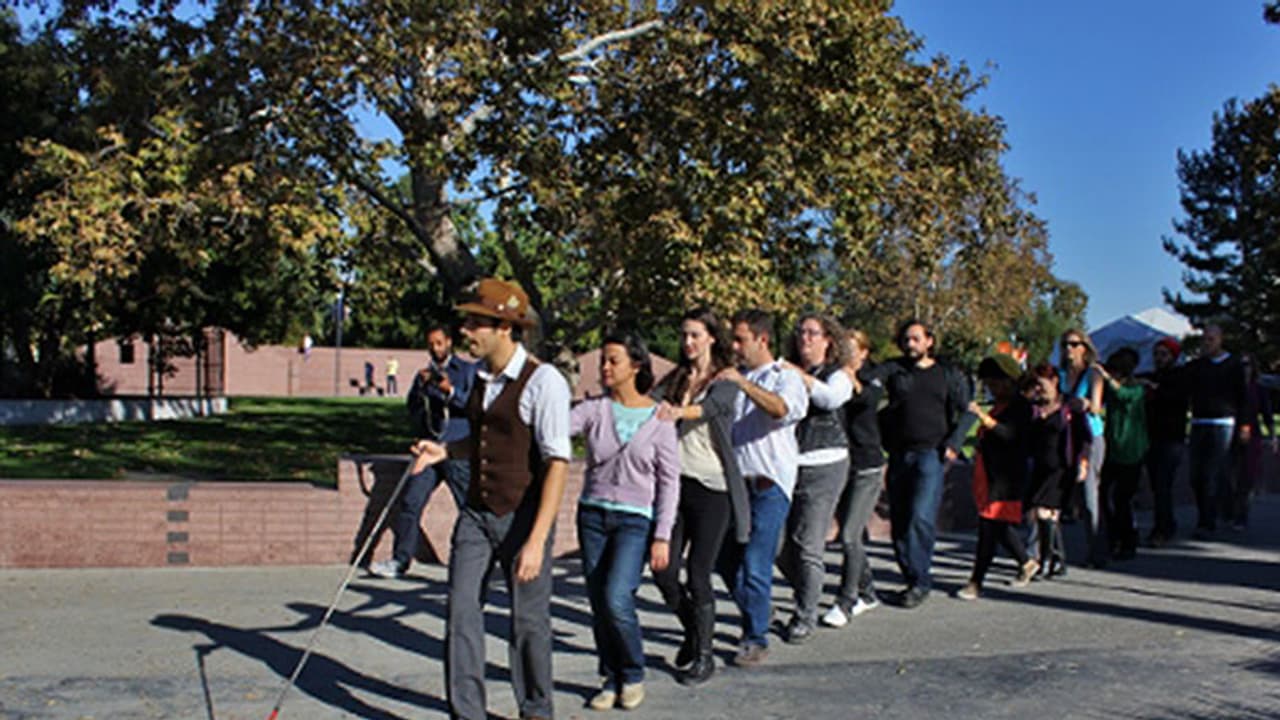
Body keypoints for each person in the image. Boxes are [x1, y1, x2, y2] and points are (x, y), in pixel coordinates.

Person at [413, 278, 571, 720]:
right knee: (461, 613)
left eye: (476, 322)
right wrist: (444, 450)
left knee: (528, 624)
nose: (466, 330)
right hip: (477, 515)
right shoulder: (482, 378)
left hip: (524, 517)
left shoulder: (545, 382)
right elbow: (484, 438)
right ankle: (467, 714)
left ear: (505, 327)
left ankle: (536, 709)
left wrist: (537, 541)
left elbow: (558, 462)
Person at [571, 331, 679, 711]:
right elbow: (554, 429)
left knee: (618, 597)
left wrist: (662, 535)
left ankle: (633, 672)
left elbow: (669, 482)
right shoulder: (594, 410)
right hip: (592, 515)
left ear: (636, 365)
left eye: (613, 360)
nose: (604, 367)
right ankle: (610, 676)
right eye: (603, 359)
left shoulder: (660, 417)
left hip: (635, 521)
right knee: (600, 601)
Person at [652, 308, 748, 686]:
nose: (688, 342)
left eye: (695, 335)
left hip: (713, 489)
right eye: (684, 335)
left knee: (698, 573)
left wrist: (675, 411)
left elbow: (713, 408)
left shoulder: (724, 379)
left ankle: (704, 657)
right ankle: (694, 630)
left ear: (711, 337)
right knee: (663, 570)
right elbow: (649, 404)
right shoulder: (675, 378)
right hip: (675, 486)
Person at [716, 309, 808, 668]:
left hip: (770, 485)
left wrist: (743, 385)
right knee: (725, 561)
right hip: (736, 484)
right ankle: (759, 611)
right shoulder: (733, 378)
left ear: (762, 339)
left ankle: (755, 638)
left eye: (741, 339)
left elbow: (780, 409)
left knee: (756, 561)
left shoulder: (784, 376)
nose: (735, 347)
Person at [872, 319, 973, 608]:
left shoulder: (947, 374)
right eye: (906, 339)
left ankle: (920, 581)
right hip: (900, 455)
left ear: (930, 341)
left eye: (916, 339)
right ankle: (911, 577)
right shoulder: (895, 370)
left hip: (931, 455)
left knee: (920, 517)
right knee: (901, 521)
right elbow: (868, 379)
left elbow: (968, 412)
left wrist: (954, 445)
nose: (910, 344)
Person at [369, 325, 476, 579]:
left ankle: (478, 560)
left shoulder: (466, 371)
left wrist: (449, 391)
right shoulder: (425, 375)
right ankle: (400, 560)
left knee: (467, 506)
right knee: (410, 502)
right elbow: (414, 409)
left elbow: (473, 406)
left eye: (439, 343)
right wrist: (421, 396)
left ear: (449, 342)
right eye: (431, 344)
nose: (435, 348)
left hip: (455, 448)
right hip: (429, 448)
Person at [777, 313, 852, 643]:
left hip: (825, 463)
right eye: (800, 332)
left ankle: (804, 613)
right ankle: (808, 590)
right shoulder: (787, 372)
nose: (804, 338)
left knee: (808, 544)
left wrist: (796, 375)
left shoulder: (839, 375)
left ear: (828, 340)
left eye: (812, 333)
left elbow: (829, 399)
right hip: (786, 464)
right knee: (777, 545)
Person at [956, 354, 1037, 600]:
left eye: (995, 383)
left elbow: (1010, 436)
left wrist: (984, 419)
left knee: (989, 528)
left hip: (1006, 477)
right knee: (999, 527)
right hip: (988, 474)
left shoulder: (1021, 407)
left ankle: (976, 581)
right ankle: (1026, 562)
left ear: (1009, 381)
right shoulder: (999, 405)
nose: (992, 388)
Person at [822, 329, 886, 628]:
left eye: (852, 349)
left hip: (866, 466)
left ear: (864, 352)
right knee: (852, 535)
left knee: (848, 535)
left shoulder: (871, 376)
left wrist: (851, 379)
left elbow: (869, 399)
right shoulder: (832, 376)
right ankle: (868, 591)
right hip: (840, 464)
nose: (846, 353)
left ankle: (846, 601)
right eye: (842, 348)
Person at [1025, 363, 1090, 579]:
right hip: (1039, 466)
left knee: (1045, 511)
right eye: (1035, 385)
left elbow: (1085, 437)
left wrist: (1083, 462)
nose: (1038, 389)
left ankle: (1046, 560)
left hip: (1062, 467)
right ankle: (1058, 559)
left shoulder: (1068, 407)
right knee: (1043, 515)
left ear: (1054, 381)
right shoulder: (1034, 407)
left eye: (1041, 384)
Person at [1184, 324, 1250, 539]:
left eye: (1211, 339)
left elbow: (1243, 397)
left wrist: (1244, 425)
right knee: (1196, 475)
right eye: (1204, 339)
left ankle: (1208, 522)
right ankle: (1212, 512)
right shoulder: (1198, 366)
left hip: (1223, 422)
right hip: (1199, 422)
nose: (1207, 343)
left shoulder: (1233, 364)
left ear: (1221, 339)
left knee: (1212, 473)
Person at [1058, 328, 1108, 568]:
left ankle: (1097, 550)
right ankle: (1052, 554)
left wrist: (1086, 403)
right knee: (1057, 492)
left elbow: (1097, 407)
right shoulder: (1059, 374)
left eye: (1074, 344)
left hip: (1089, 436)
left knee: (1089, 494)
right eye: (1065, 344)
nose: (1069, 349)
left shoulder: (1093, 373)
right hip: (1065, 435)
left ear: (1084, 348)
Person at [1094, 348, 1149, 561]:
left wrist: (1106, 377)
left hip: (1132, 451)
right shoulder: (1112, 389)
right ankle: (1112, 537)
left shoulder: (1136, 389)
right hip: (1113, 449)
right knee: (1105, 494)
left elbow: (1123, 394)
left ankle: (1128, 539)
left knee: (1122, 499)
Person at [1142, 337, 1188, 546]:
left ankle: (1163, 528)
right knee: (1155, 484)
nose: (1159, 358)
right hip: (1151, 436)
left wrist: (1155, 389)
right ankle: (1166, 522)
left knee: (1163, 483)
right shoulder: (1151, 376)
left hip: (1171, 438)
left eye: (1164, 354)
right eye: (1157, 354)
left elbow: (1175, 398)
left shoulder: (1179, 377)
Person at [1230, 353, 1274, 530]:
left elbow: (1267, 414)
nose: (1244, 369)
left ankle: (1241, 514)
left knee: (1246, 475)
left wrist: (1272, 436)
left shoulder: (1258, 389)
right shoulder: (1232, 389)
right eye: (1241, 365)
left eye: (1247, 365)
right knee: (1229, 474)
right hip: (1231, 432)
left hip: (1252, 434)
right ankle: (1230, 509)